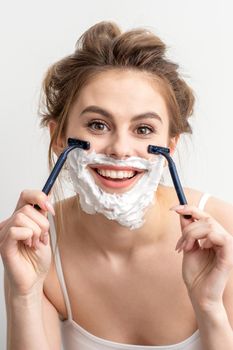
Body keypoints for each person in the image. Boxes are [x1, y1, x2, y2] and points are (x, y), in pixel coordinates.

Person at [1, 21, 233, 350]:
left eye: (143, 129)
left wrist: (211, 310)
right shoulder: (37, 244)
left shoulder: (225, 237)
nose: (120, 149)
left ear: (171, 143)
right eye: (98, 125)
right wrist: (22, 295)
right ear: (58, 137)